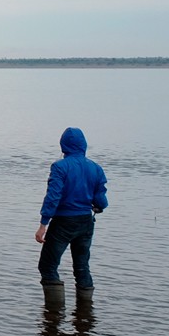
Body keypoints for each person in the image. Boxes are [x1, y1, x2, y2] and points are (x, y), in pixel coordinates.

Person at [34, 126, 109, 304]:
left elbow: (53, 196)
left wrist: (43, 224)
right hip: (85, 222)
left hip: (63, 223)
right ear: (84, 145)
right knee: (82, 267)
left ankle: (54, 315)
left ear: (63, 145)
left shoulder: (60, 167)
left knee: (47, 266)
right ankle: (85, 314)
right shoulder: (95, 168)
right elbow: (101, 199)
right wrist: (98, 207)